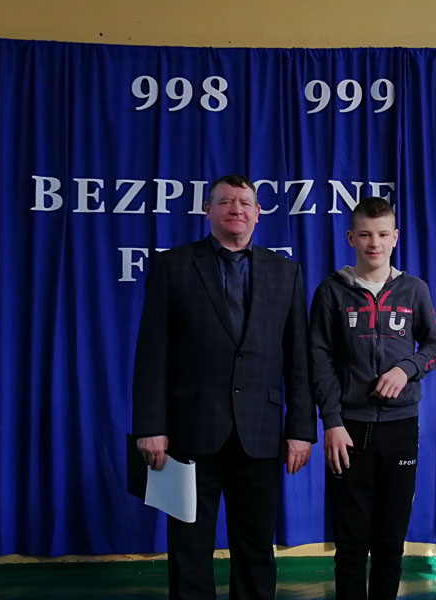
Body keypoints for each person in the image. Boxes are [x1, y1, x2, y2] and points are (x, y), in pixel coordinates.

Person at [132, 174, 317, 600]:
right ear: (208, 210)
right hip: (188, 432)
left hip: (260, 434)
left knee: (255, 551)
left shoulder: (285, 272)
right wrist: (150, 426)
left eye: (245, 202)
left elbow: (298, 360)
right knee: (189, 549)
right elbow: (151, 353)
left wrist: (300, 429)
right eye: (226, 201)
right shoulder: (173, 266)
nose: (236, 209)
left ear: (258, 213)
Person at [309, 196, 436, 600]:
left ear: (395, 237)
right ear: (351, 237)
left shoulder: (414, 290)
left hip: (401, 428)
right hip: (348, 429)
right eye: (365, 235)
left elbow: (435, 346)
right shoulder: (331, 291)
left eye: (383, 234)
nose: (374, 243)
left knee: (390, 541)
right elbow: (318, 358)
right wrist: (332, 421)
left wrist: (407, 368)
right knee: (351, 544)